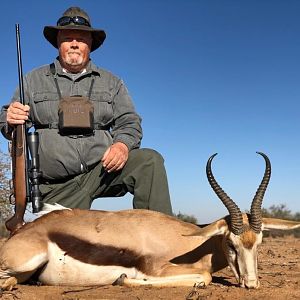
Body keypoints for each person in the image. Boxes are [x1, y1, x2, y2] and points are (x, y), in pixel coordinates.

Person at [0, 6, 173, 215]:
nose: (74, 44)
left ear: (90, 44)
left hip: (101, 173)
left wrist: (122, 145)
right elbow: (6, 120)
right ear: (58, 43)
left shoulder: (112, 82)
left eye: (81, 38)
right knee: (58, 244)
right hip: (57, 186)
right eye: (68, 38)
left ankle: (159, 240)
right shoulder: (32, 80)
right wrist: (9, 118)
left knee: (149, 161)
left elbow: (130, 122)